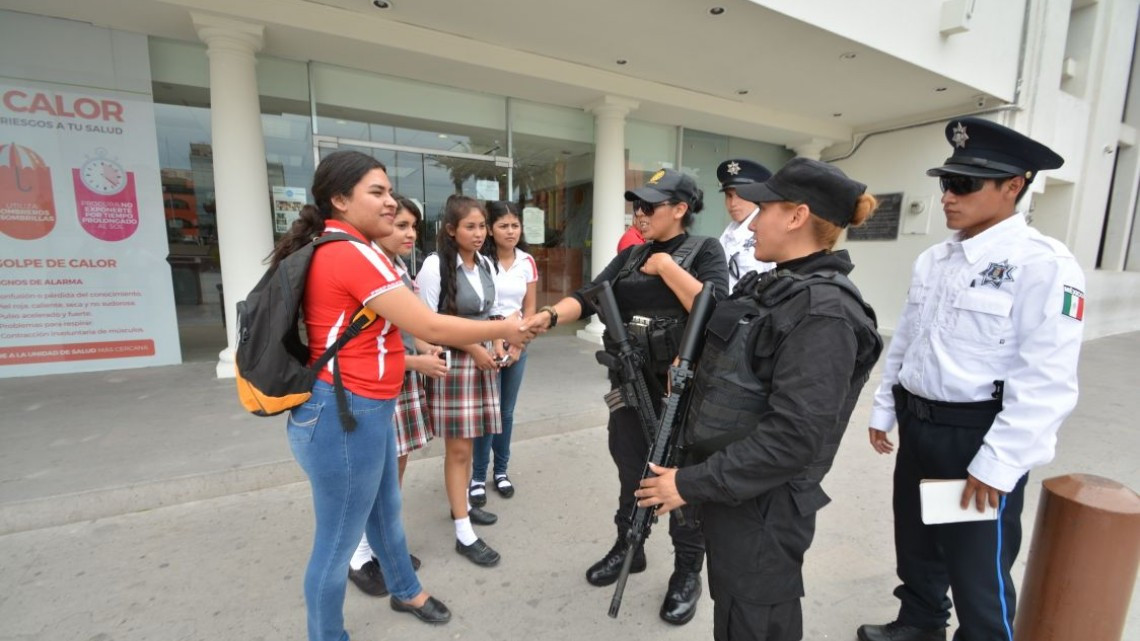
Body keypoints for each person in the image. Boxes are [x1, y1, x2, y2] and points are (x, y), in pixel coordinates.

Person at [271, 151, 535, 638]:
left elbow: (390, 339)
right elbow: (427, 322)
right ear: (340, 200)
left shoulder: (360, 249)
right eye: (377, 193)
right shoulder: (347, 253)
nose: (390, 203)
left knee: (386, 511)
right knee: (335, 546)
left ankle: (406, 589)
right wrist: (507, 327)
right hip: (339, 416)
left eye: (389, 191)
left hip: (364, 410)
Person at [635, 157, 884, 641]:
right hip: (738, 491)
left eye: (764, 207)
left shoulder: (823, 312)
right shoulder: (776, 287)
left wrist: (690, 482)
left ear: (796, 217)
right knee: (733, 607)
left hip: (765, 507)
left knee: (755, 618)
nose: (752, 219)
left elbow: (793, 438)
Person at [856, 117, 1086, 641]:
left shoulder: (1043, 264)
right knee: (917, 543)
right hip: (921, 427)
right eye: (945, 182)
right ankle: (920, 623)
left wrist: (999, 463)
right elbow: (910, 342)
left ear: (1013, 186)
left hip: (976, 435)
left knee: (977, 568)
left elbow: (1046, 380)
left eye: (964, 185)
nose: (947, 197)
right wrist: (885, 408)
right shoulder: (936, 259)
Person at [524, 168, 729, 625]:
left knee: (679, 479)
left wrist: (670, 268)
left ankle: (687, 570)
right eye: (636, 206)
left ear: (680, 210)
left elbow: (715, 311)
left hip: (683, 392)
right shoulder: (632, 256)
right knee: (631, 469)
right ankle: (628, 547)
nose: (640, 214)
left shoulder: (704, 250)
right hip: (631, 386)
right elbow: (590, 295)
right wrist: (550, 315)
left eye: (650, 206)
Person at [347, 195, 447, 597]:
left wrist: (424, 347)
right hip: (375, 382)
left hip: (398, 381)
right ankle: (358, 556)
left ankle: (381, 547)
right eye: (400, 225)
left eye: (413, 227)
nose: (409, 234)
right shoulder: (367, 267)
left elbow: (410, 325)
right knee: (371, 475)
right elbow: (367, 348)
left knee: (393, 472)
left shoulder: (398, 266)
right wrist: (417, 361)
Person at [415, 195, 505, 567]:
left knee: (470, 444)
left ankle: (463, 504)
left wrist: (497, 345)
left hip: (481, 361)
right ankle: (463, 531)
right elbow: (427, 326)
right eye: (470, 226)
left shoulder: (485, 262)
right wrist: (477, 348)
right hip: (456, 365)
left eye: (482, 225)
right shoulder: (436, 266)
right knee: (459, 450)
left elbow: (493, 313)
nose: (479, 233)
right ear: (451, 230)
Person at [469, 201, 539, 506]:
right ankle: (476, 476)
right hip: (487, 344)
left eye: (515, 225)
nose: (510, 231)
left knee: (506, 412)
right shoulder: (479, 262)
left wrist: (519, 343)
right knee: (488, 413)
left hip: (518, 344)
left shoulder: (527, 261)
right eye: (503, 225)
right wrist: (497, 338)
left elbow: (531, 308)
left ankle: (501, 471)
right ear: (490, 229)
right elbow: (479, 308)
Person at [717, 158, 776, 291]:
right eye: (729, 196)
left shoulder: (768, 231)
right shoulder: (728, 232)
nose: (733, 204)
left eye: (740, 195)